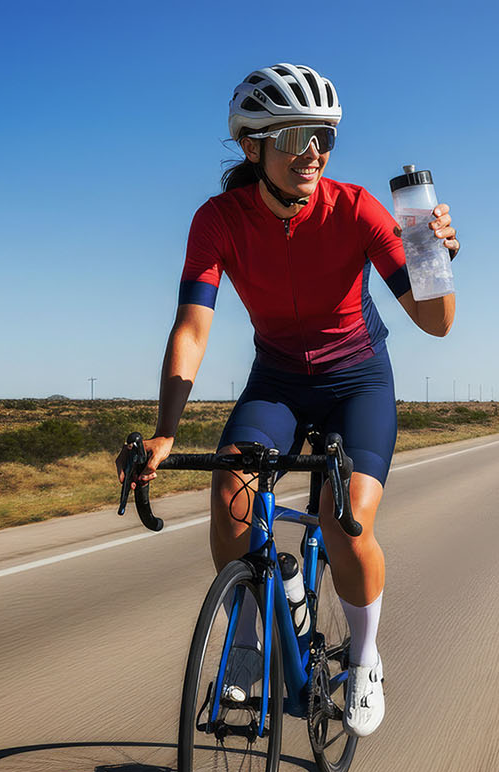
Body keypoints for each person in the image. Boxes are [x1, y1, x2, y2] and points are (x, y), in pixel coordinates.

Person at [119, 63, 458, 737]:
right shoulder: (217, 221)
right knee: (230, 495)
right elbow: (191, 327)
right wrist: (164, 430)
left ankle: (364, 659)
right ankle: (247, 639)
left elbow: (436, 321)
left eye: (325, 137)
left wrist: (433, 253)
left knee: (344, 519)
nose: (314, 152)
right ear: (253, 145)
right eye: (298, 135)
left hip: (357, 379)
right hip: (276, 380)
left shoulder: (356, 208)